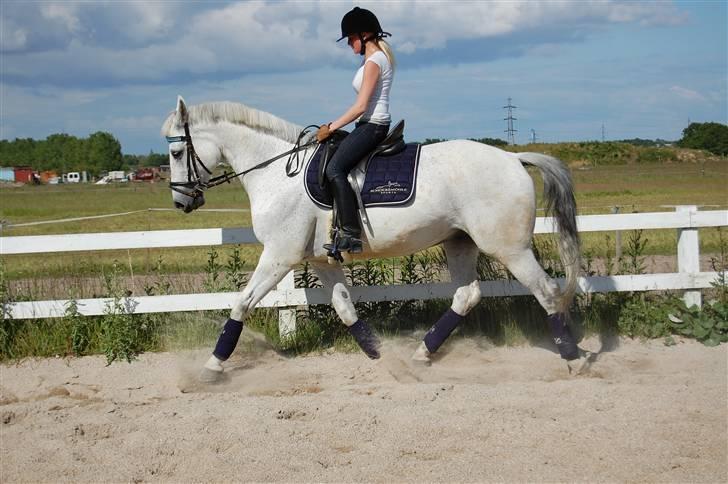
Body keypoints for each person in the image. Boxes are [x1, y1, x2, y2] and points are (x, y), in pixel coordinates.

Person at [316, 6, 396, 254]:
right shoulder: (371, 59)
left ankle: (350, 235)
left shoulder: (374, 61)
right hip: (367, 125)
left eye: (351, 38)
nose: (349, 44)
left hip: (373, 125)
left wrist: (331, 127)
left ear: (364, 35)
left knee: (334, 168)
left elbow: (361, 106)